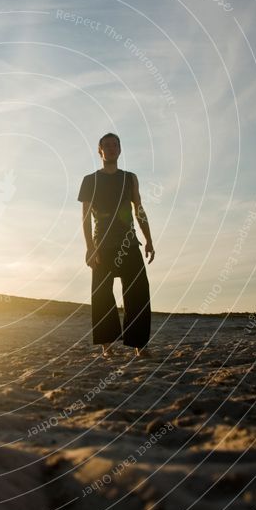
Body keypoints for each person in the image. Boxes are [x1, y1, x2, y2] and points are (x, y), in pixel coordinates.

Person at [78, 132, 154, 357]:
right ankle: (107, 346)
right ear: (100, 151)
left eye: (115, 145)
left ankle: (140, 345)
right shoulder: (90, 180)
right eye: (106, 146)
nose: (111, 148)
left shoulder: (130, 178)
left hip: (129, 244)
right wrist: (90, 247)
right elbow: (84, 217)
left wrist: (148, 239)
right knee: (102, 294)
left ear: (119, 150)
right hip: (101, 245)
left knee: (139, 292)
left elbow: (138, 209)